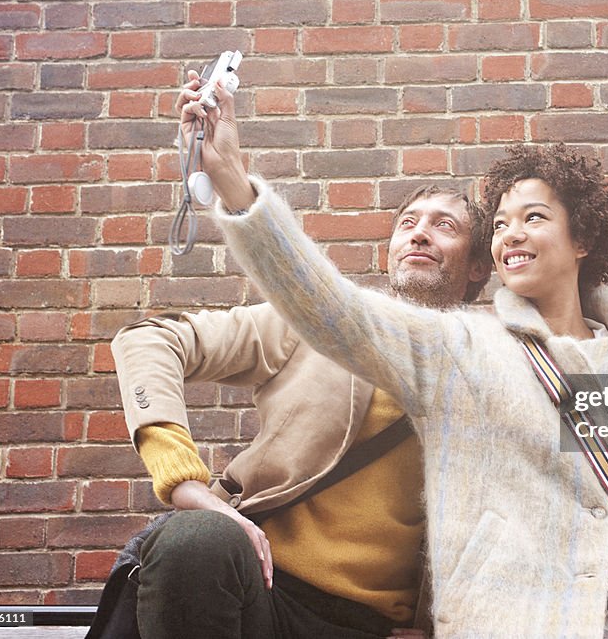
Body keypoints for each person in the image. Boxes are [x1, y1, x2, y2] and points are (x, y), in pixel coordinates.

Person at [184, 76, 608, 638]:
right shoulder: (467, 348)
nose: (511, 234)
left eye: (533, 218)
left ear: (581, 239)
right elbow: (333, 309)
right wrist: (235, 184)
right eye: (501, 224)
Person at [111, 73, 491, 638]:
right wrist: (186, 484)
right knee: (196, 537)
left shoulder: (499, 368)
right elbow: (148, 339)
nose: (418, 235)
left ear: (479, 267)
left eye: (445, 226)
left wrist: (446, 627)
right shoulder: (313, 327)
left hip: (376, 627)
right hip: (259, 593)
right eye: (407, 224)